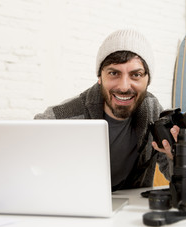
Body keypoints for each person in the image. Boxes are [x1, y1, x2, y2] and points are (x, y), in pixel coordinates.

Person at [35, 29, 178, 191]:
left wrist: (176, 156)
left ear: (148, 80)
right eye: (113, 73)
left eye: (136, 75)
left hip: (130, 212)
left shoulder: (152, 111)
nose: (124, 86)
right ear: (99, 77)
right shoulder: (62, 117)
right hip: (79, 210)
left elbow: (175, 175)